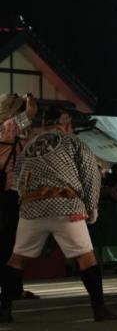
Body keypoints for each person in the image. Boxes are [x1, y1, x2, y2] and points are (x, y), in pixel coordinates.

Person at [0, 106, 117, 322]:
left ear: (44, 124)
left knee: (17, 259)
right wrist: (91, 208)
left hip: (31, 207)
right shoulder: (73, 142)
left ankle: (4, 309)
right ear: (66, 124)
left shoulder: (29, 146)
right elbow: (91, 174)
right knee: (86, 257)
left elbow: (17, 176)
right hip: (66, 205)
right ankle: (99, 309)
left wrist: (23, 203)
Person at [0, 94, 38, 301]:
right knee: (12, 244)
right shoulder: (12, 125)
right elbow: (32, 111)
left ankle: (11, 288)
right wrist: (29, 97)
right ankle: (12, 289)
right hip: (9, 191)